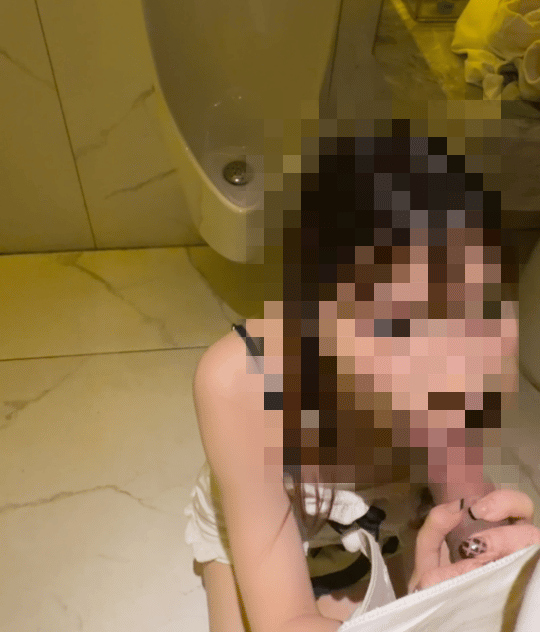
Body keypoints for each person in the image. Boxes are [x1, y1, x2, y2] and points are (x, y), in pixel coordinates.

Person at [185, 125, 539, 632]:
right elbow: (281, 619)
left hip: (387, 506)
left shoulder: (452, 370)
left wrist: (494, 563)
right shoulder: (240, 383)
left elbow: (461, 504)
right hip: (265, 502)